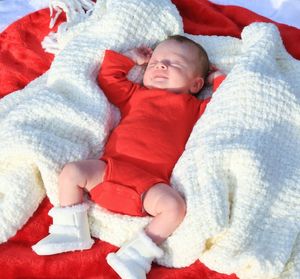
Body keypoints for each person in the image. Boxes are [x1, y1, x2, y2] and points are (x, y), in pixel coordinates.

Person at [32, 35, 225, 279]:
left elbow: (223, 106)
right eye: (155, 61)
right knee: (71, 172)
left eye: (174, 63)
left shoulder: (194, 108)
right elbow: (109, 79)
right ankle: (70, 229)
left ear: (196, 84)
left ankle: (137, 255)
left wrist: (217, 80)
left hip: (149, 185)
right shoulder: (136, 94)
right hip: (109, 170)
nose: (161, 66)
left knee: (175, 208)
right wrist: (132, 58)